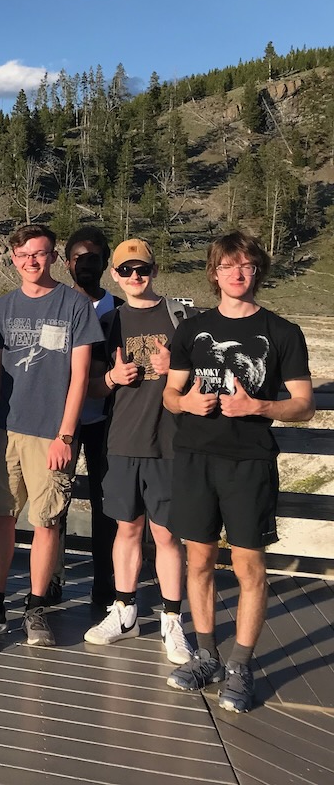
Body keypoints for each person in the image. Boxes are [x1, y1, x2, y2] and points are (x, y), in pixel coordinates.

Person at [162, 232, 313, 713]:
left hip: (250, 462)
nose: (237, 273)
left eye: (247, 265)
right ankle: (206, 655)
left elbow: (304, 405)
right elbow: (170, 394)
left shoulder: (283, 332)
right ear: (214, 273)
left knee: (249, 566)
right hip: (194, 457)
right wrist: (185, 401)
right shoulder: (191, 330)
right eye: (228, 266)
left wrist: (258, 405)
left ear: (258, 272)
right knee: (199, 561)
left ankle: (240, 665)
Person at [0, 224, 102, 648]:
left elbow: (79, 377)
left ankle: (35, 607)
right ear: (13, 259)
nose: (31, 261)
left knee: (47, 522)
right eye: (23, 255)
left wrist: (66, 436)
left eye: (39, 254)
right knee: (0, 516)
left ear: (53, 257)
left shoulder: (74, 306)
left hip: (51, 434)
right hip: (6, 430)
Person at [84, 239, 194, 664]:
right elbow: (91, 386)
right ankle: (124, 609)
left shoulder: (181, 317)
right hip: (122, 441)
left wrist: (177, 373)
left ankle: (171, 619)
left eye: (142, 269)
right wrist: (111, 378)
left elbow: (206, 379)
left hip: (169, 441)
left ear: (154, 270)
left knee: (166, 534)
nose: (135, 277)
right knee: (126, 529)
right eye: (126, 270)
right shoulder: (107, 322)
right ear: (114, 275)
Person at [62, 226, 119, 608]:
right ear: (67, 263)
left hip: (106, 419)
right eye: (78, 257)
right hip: (62, 419)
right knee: (55, 500)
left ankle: (105, 582)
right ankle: (50, 578)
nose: (85, 264)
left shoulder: (117, 307)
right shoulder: (59, 303)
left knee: (106, 504)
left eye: (93, 257)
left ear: (105, 262)